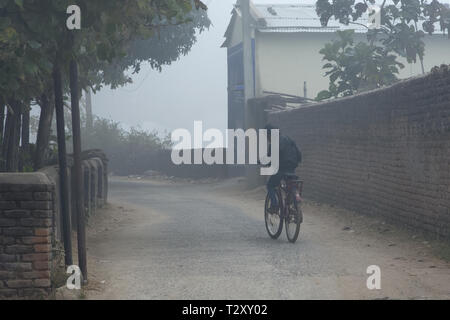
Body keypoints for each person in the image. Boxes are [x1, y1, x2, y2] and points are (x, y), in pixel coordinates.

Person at [265, 124, 302, 213]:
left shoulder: (274, 142)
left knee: (270, 185)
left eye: (266, 136)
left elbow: (270, 158)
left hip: (281, 169)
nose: (267, 139)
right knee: (289, 186)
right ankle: (292, 200)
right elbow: (299, 154)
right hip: (292, 168)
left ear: (270, 134)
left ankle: (274, 205)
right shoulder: (289, 139)